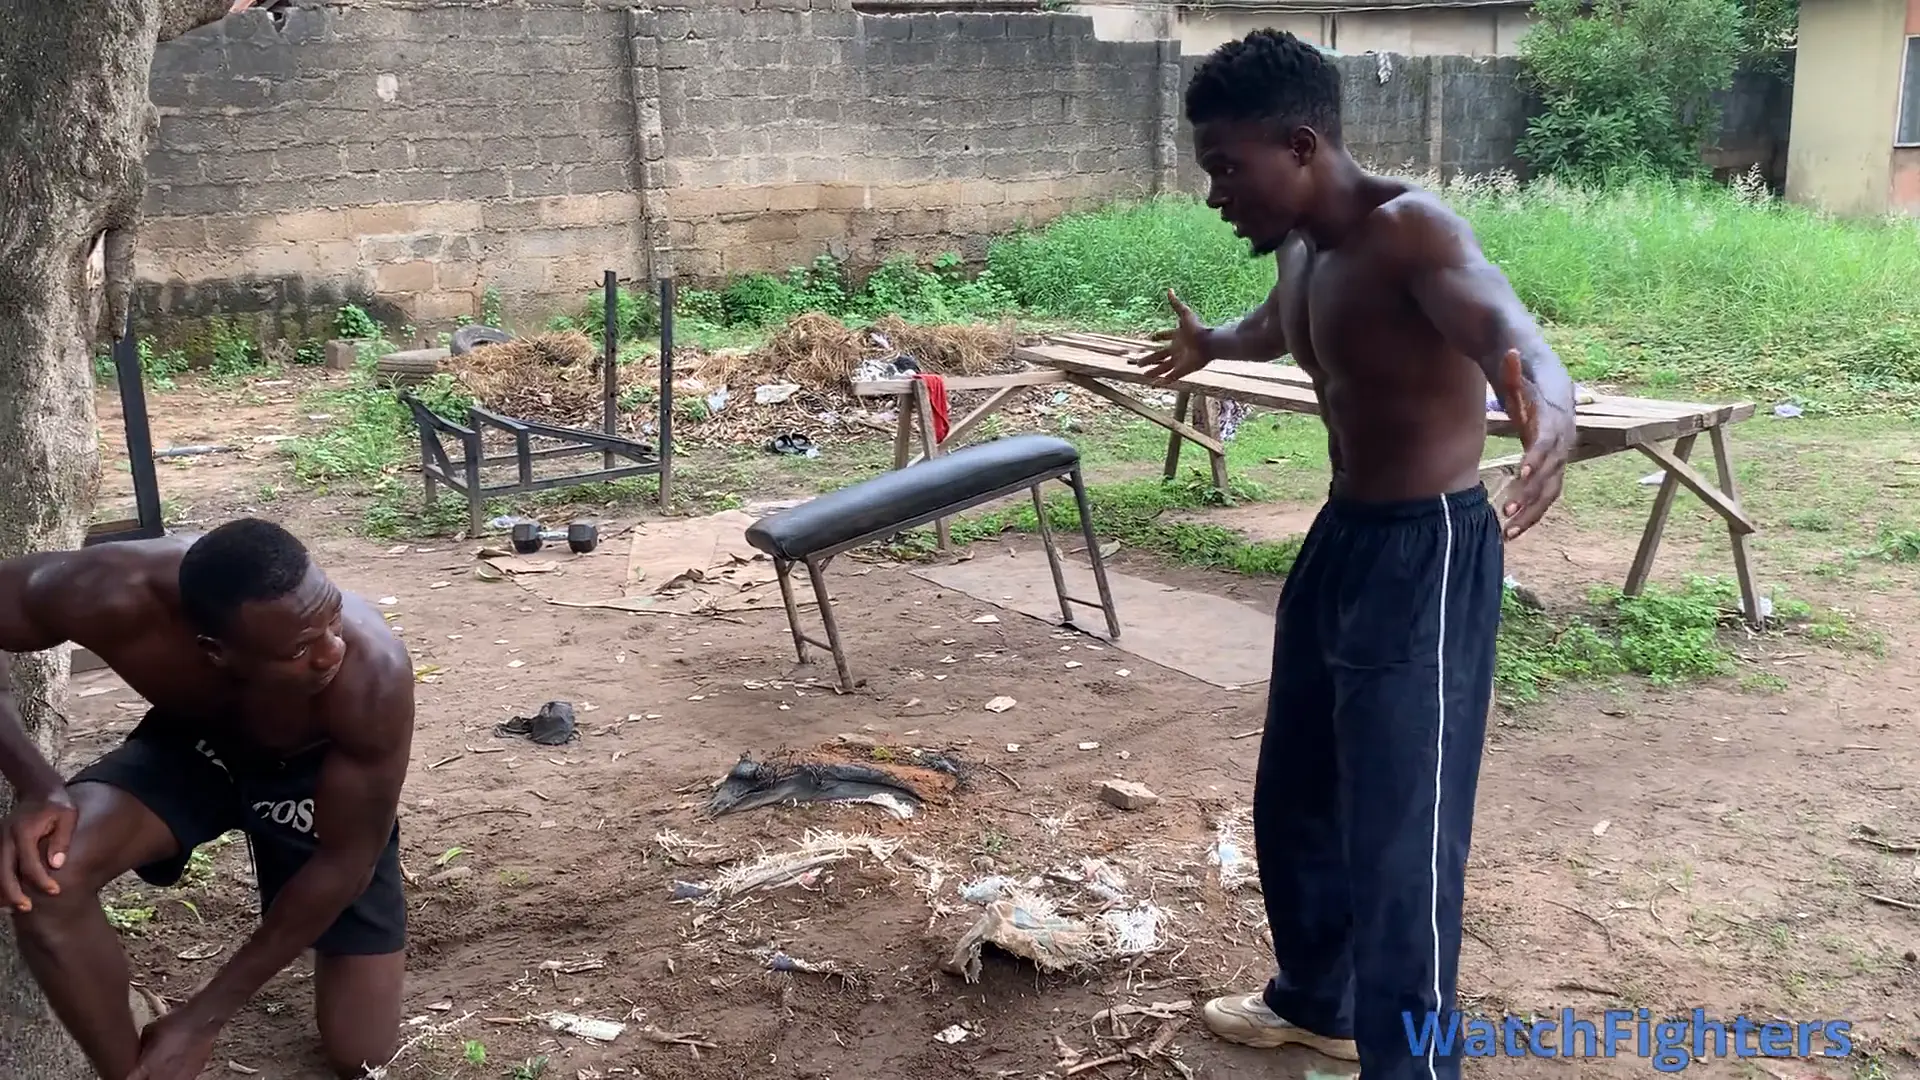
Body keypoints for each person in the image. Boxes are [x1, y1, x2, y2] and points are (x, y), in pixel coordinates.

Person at [1137, 29, 1577, 1080]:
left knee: (1400, 836)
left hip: (1426, 552)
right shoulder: (1303, 247)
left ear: (1301, 146)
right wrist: (1212, 345)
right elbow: (1281, 326)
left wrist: (1551, 413)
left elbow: (1513, 334)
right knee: (1296, 794)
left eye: (1227, 168)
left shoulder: (1412, 231)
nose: (1216, 195)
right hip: (1342, 540)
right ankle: (1319, 1001)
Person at [0, 518, 416, 1080]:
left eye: (333, 618)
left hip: (317, 774)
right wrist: (36, 784)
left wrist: (203, 1018)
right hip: (195, 745)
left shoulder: (372, 679)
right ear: (215, 652)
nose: (331, 652)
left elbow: (346, 863)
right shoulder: (109, 592)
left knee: (360, 1053)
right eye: (299, 648)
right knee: (48, 874)